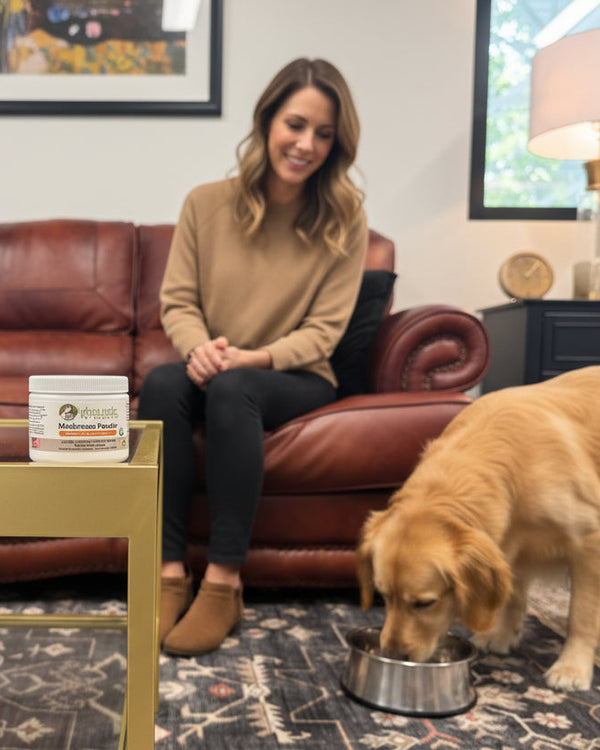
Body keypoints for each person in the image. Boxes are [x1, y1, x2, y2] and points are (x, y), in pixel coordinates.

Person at [138, 57, 368, 656]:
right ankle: (167, 574)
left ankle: (223, 584)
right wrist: (202, 351)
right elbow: (178, 302)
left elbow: (324, 332)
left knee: (232, 389)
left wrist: (250, 358)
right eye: (296, 124)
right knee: (162, 384)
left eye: (324, 135)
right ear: (267, 120)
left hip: (294, 376)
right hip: (217, 367)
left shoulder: (345, 219)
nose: (306, 144)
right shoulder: (205, 204)